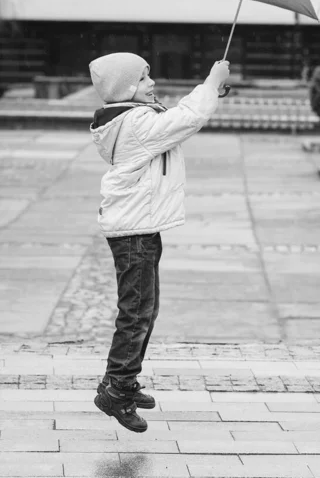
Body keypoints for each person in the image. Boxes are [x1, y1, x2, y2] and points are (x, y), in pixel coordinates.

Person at [89, 52, 229, 433]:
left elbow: (174, 120)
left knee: (144, 311)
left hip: (141, 228)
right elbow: (186, 118)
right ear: (128, 88)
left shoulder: (130, 118)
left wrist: (212, 93)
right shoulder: (134, 123)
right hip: (134, 232)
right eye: (145, 78)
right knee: (136, 313)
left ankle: (122, 380)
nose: (153, 83)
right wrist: (211, 83)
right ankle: (116, 390)